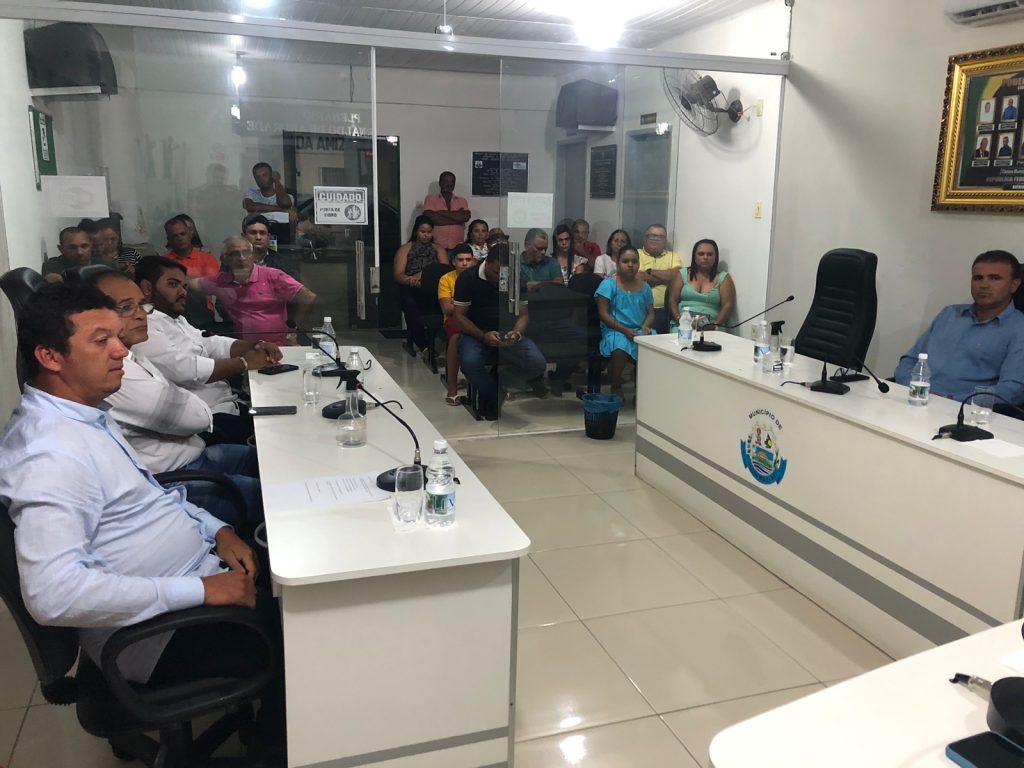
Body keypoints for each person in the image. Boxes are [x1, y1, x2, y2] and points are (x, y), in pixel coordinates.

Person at [0, 283, 283, 753]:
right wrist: (204, 590)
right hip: (157, 634)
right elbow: (52, 596)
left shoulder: (84, 413)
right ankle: (276, 746)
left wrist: (218, 529)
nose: (122, 351)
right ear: (50, 357)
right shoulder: (49, 455)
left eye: (117, 336)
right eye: (101, 341)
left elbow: (152, 494)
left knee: (289, 570)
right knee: (310, 626)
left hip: (195, 577)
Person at [89, 269, 264, 525]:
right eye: (126, 307)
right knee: (274, 497)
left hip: (194, 452)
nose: (140, 314)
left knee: (270, 461)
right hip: (176, 478)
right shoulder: (115, 369)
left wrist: (177, 418)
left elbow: (184, 402)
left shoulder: (132, 351)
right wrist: (182, 417)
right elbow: (195, 416)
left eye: (141, 305)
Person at [132, 255, 283, 445]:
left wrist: (255, 345)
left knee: (285, 413)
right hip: (210, 420)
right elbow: (182, 369)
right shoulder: (143, 326)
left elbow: (212, 343)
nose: (182, 292)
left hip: (229, 405)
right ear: (147, 288)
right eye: (173, 284)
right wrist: (244, 363)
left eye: (184, 287)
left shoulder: (176, 320)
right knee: (281, 436)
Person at [894, 250, 1024, 404]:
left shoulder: (1018, 328)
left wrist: (951, 400)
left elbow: (1012, 390)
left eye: (995, 278)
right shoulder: (949, 314)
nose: (984, 285)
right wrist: (914, 389)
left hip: (962, 410)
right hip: (915, 397)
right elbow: (910, 361)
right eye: (978, 278)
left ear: (1014, 285)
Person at [452, 243, 547, 420]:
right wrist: (482, 336)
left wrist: (516, 333)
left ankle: (499, 382)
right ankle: (494, 394)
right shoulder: (468, 278)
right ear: (486, 262)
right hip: (476, 331)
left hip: (507, 331)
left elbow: (524, 315)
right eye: (496, 272)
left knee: (537, 364)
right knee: (470, 363)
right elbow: (459, 316)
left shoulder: (516, 278)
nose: (500, 278)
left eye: (504, 274)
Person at [195, 237, 317, 345]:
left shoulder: (273, 276)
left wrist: (293, 328)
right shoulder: (221, 281)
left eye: (246, 253)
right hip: (244, 348)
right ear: (225, 260)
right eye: (235, 254)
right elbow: (192, 284)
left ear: (253, 257)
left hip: (279, 346)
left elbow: (308, 297)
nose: (242, 258)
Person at [595, 246, 654, 399]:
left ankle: (642, 390)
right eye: (625, 261)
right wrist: (625, 330)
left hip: (639, 330)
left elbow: (651, 313)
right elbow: (603, 314)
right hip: (615, 330)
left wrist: (645, 326)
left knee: (654, 348)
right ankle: (615, 385)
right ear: (617, 263)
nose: (630, 265)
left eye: (634, 261)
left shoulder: (645, 287)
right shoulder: (608, 285)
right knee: (620, 347)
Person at [393, 214, 449, 357]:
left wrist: (425, 275)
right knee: (409, 303)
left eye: (429, 232)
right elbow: (398, 274)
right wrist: (411, 280)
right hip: (410, 286)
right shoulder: (406, 248)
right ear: (416, 231)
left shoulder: (438, 249)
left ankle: (442, 342)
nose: (426, 235)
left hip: (434, 288)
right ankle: (424, 346)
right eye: (422, 231)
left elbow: (445, 271)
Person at [667, 238, 737, 330]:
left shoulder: (724, 278)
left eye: (710, 254)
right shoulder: (682, 274)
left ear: (715, 257)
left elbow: (727, 306)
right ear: (694, 257)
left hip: (711, 327)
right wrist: (679, 319)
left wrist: (715, 325)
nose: (705, 257)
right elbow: (672, 300)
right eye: (701, 254)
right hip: (683, 324)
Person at [163, 216, 220, 327]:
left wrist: (179, 282)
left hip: (203, 317)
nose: (180, 238)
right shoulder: (163, 262)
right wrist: (194, 281)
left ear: (190, 234)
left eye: (182, 234)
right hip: (174, 316)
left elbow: (212, 287)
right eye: (175, 236)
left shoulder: (207, 258)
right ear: (169, 239)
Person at [438, 244, 476, 405]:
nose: (465, 263)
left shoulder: (478, 277)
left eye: (468, 259)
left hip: (475, 317)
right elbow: (447, 308)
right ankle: (452, 388)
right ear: (453, 262)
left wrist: (458, 304)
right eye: (460, 260)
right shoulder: (446, 279)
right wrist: (467, 305)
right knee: (456, 338)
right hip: (453, 319)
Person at [637, 224, 682, 333]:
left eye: (660, 236)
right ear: (645, 238)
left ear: (665, 241)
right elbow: (638, 277)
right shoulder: (636, 254)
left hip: (665, 310)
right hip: (640, 309)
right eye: (652, 235)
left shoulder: (673, 256)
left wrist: (649, 272)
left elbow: (676, 276)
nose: (656, 239)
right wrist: (665, 277)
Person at [243, 162, 296, 245]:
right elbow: (251, 207)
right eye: (258, 177)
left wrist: (277, 181)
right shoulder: (252, 193)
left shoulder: (288, 197)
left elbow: (285, 204)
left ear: (271, 176)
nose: (261, 179)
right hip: (257, 239)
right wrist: (282, 210)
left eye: (264, 175)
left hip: (282, 240)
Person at [422, 171, 470, 250]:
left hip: (457, 247)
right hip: (436, 247)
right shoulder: (430, 199)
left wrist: (441, 213)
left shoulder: (462, 200)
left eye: (452, 182)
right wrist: (458, 219)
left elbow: (465, 217)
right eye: (446, 181)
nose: (449, 184)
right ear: (440, 183)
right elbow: (432, 219)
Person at [243, 213, 298, 279]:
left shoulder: (285, 263)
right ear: (244, 236)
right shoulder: (235, 261)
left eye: (262, 233)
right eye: (253, 233)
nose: (258, 237)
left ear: (269, 237)